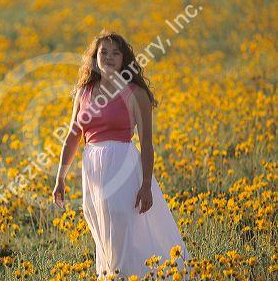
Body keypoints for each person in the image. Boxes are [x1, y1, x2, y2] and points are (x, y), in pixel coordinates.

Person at [52, 29, 192, 280]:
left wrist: (146, 184)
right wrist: (60, 178)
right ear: (94, 58)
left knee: (121, 220)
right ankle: (112, 274)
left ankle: (132, 274)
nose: (108, 56)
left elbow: (147, 144)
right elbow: (73, 135)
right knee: (99, 223)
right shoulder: (84, 92)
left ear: (124, 59)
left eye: (115, 53)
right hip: (93, 168)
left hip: (123, 164)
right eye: (103, 52)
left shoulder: (135, 94)